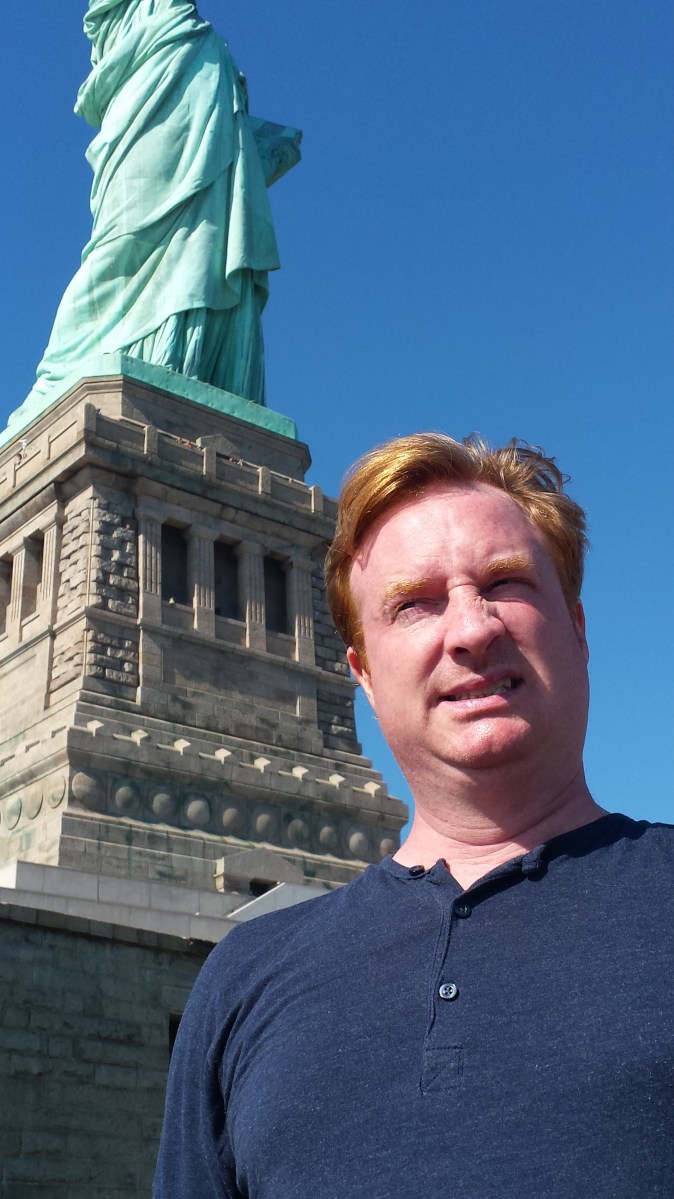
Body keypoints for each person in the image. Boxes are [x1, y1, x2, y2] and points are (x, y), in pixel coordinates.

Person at [153, 433, 674, 1198]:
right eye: (415, 603)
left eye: (505, 581)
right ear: (363, 673)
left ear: (579, 628)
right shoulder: (243, 978)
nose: (471, 628)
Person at [6, 0, 300, 439]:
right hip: (152, 72)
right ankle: (63, 370)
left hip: (198, 69)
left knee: (203, 235)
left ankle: (186, 362)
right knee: (122, 241)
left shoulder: (202, 40)